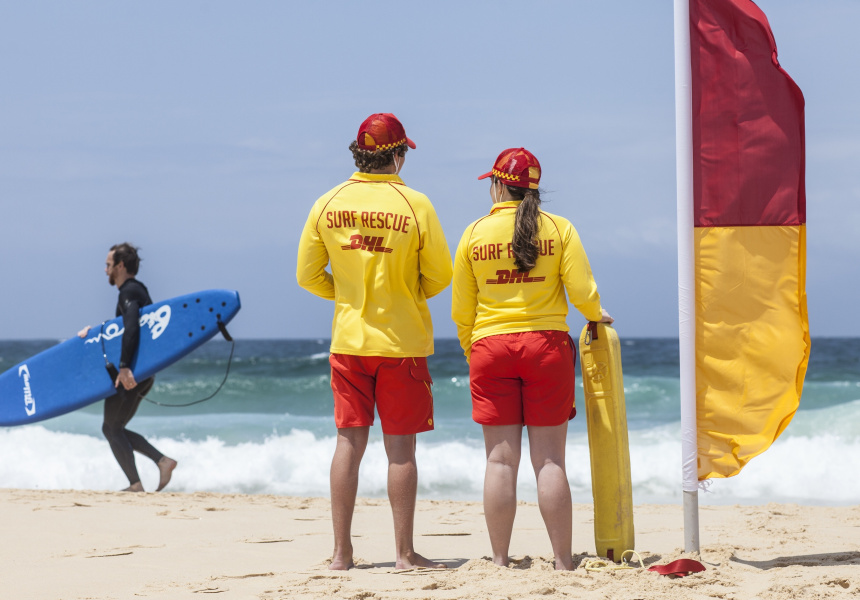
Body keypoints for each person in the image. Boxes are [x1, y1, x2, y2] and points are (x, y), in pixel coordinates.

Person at [296, 113, 452, 570]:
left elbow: (307, 275)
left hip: (348, 341)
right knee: (400, 449)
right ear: (398, 156)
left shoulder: (327, 203)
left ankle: (341, 553)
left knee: (348, 444)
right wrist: (405, 294)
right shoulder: (415, 204)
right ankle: (403, 553)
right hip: (402, 343)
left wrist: (346, 295)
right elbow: (440, 274)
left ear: (359, 153)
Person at [451, 148, 613, 570]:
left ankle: (499, 560)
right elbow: (581, 290)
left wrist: (474, 349)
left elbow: (462, 310)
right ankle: (562, 561)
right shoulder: (559, 228)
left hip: (490, 347)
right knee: (550, 461)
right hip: (546, 348)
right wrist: (595, 314)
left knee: (499, 461)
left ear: (498, 185)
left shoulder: (473, 233)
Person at [78, 243, 177, 492]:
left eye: (108, 265)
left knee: (111, 428)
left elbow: (131, 327)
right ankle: (161, 463)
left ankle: (139, 482)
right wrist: (93, 333)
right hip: (142, 373)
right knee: (114, 428)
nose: (105, 270)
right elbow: (120, 330)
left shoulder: (129, 291)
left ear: (120, 266)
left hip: (132, 373)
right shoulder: (136, 290)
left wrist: (124, 368)